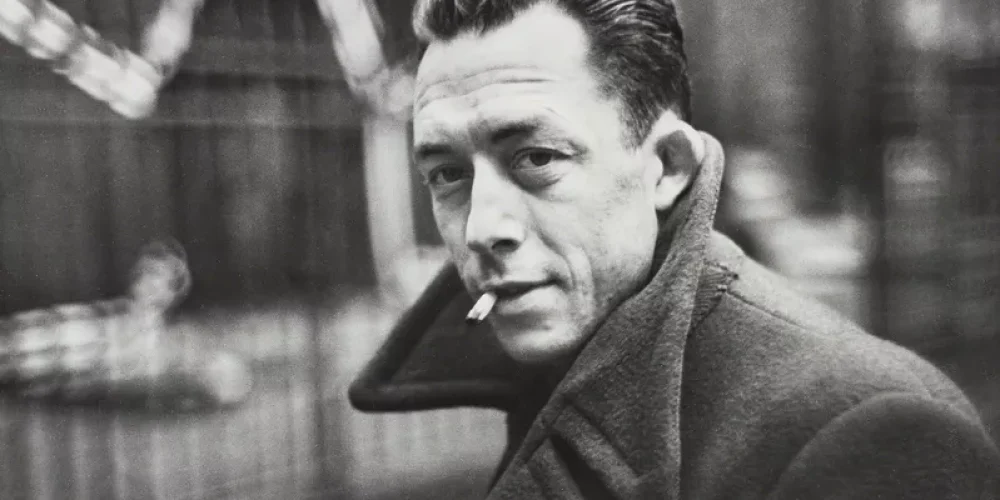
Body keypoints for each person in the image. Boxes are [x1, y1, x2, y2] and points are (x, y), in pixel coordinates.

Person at [349, 0, 1000, 498]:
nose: (480, 228)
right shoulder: (552, 360)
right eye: (448, 173)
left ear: (666, 167)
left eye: (537, 158)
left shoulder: (865, 430)